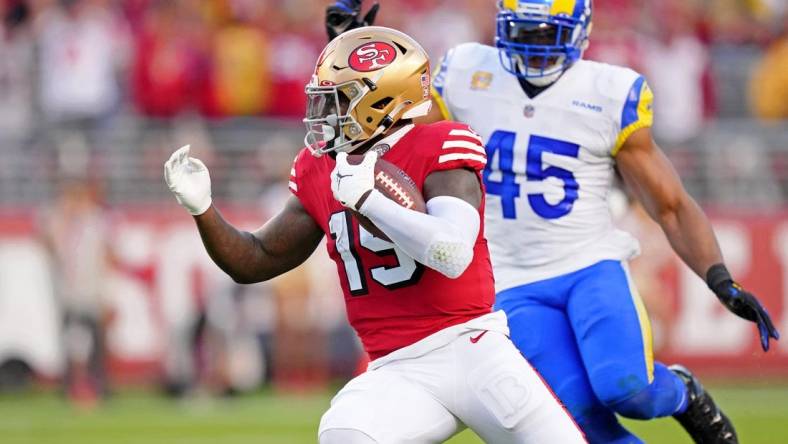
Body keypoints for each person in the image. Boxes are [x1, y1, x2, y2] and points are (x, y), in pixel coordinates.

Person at [324, 1, 780, 443]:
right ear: (503, 27)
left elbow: (670, 205)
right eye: (523, 32)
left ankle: (683, 393)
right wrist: (356, 57)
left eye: (547, 33)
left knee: (628, 390)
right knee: (582, 419)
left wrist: (719, 278)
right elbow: (393, 126)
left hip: (589, 264)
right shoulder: (466, 72)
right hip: (510, 278)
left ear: (579, 31)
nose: (534, 46)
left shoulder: (608, 91)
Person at [165, 26, 585, 444]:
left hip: (472, 348)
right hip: (395, 367)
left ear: (382, 100)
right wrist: (203, 208)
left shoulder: (440, 142)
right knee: (344, 434)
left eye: (341, 98)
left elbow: (452, 252)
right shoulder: (320, 165)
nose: (325, 111)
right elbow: (255, 258)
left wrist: (370, 201)